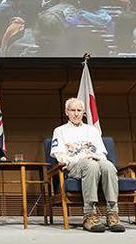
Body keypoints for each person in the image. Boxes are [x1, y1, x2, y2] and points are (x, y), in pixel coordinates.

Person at [50, 97, 125, 233]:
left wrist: (94, 157)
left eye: (79, 110)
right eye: (73, 110)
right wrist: (81, 159)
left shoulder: (92, 130)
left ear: (83, 112)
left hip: (94, 161)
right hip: (74, 165)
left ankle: (112, 214)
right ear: (67, 112)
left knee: (108, 166)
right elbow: (59, 155)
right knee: (90, 165)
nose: (76, 113)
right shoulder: (59, 131)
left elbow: (102, 153)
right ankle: (89, 215)